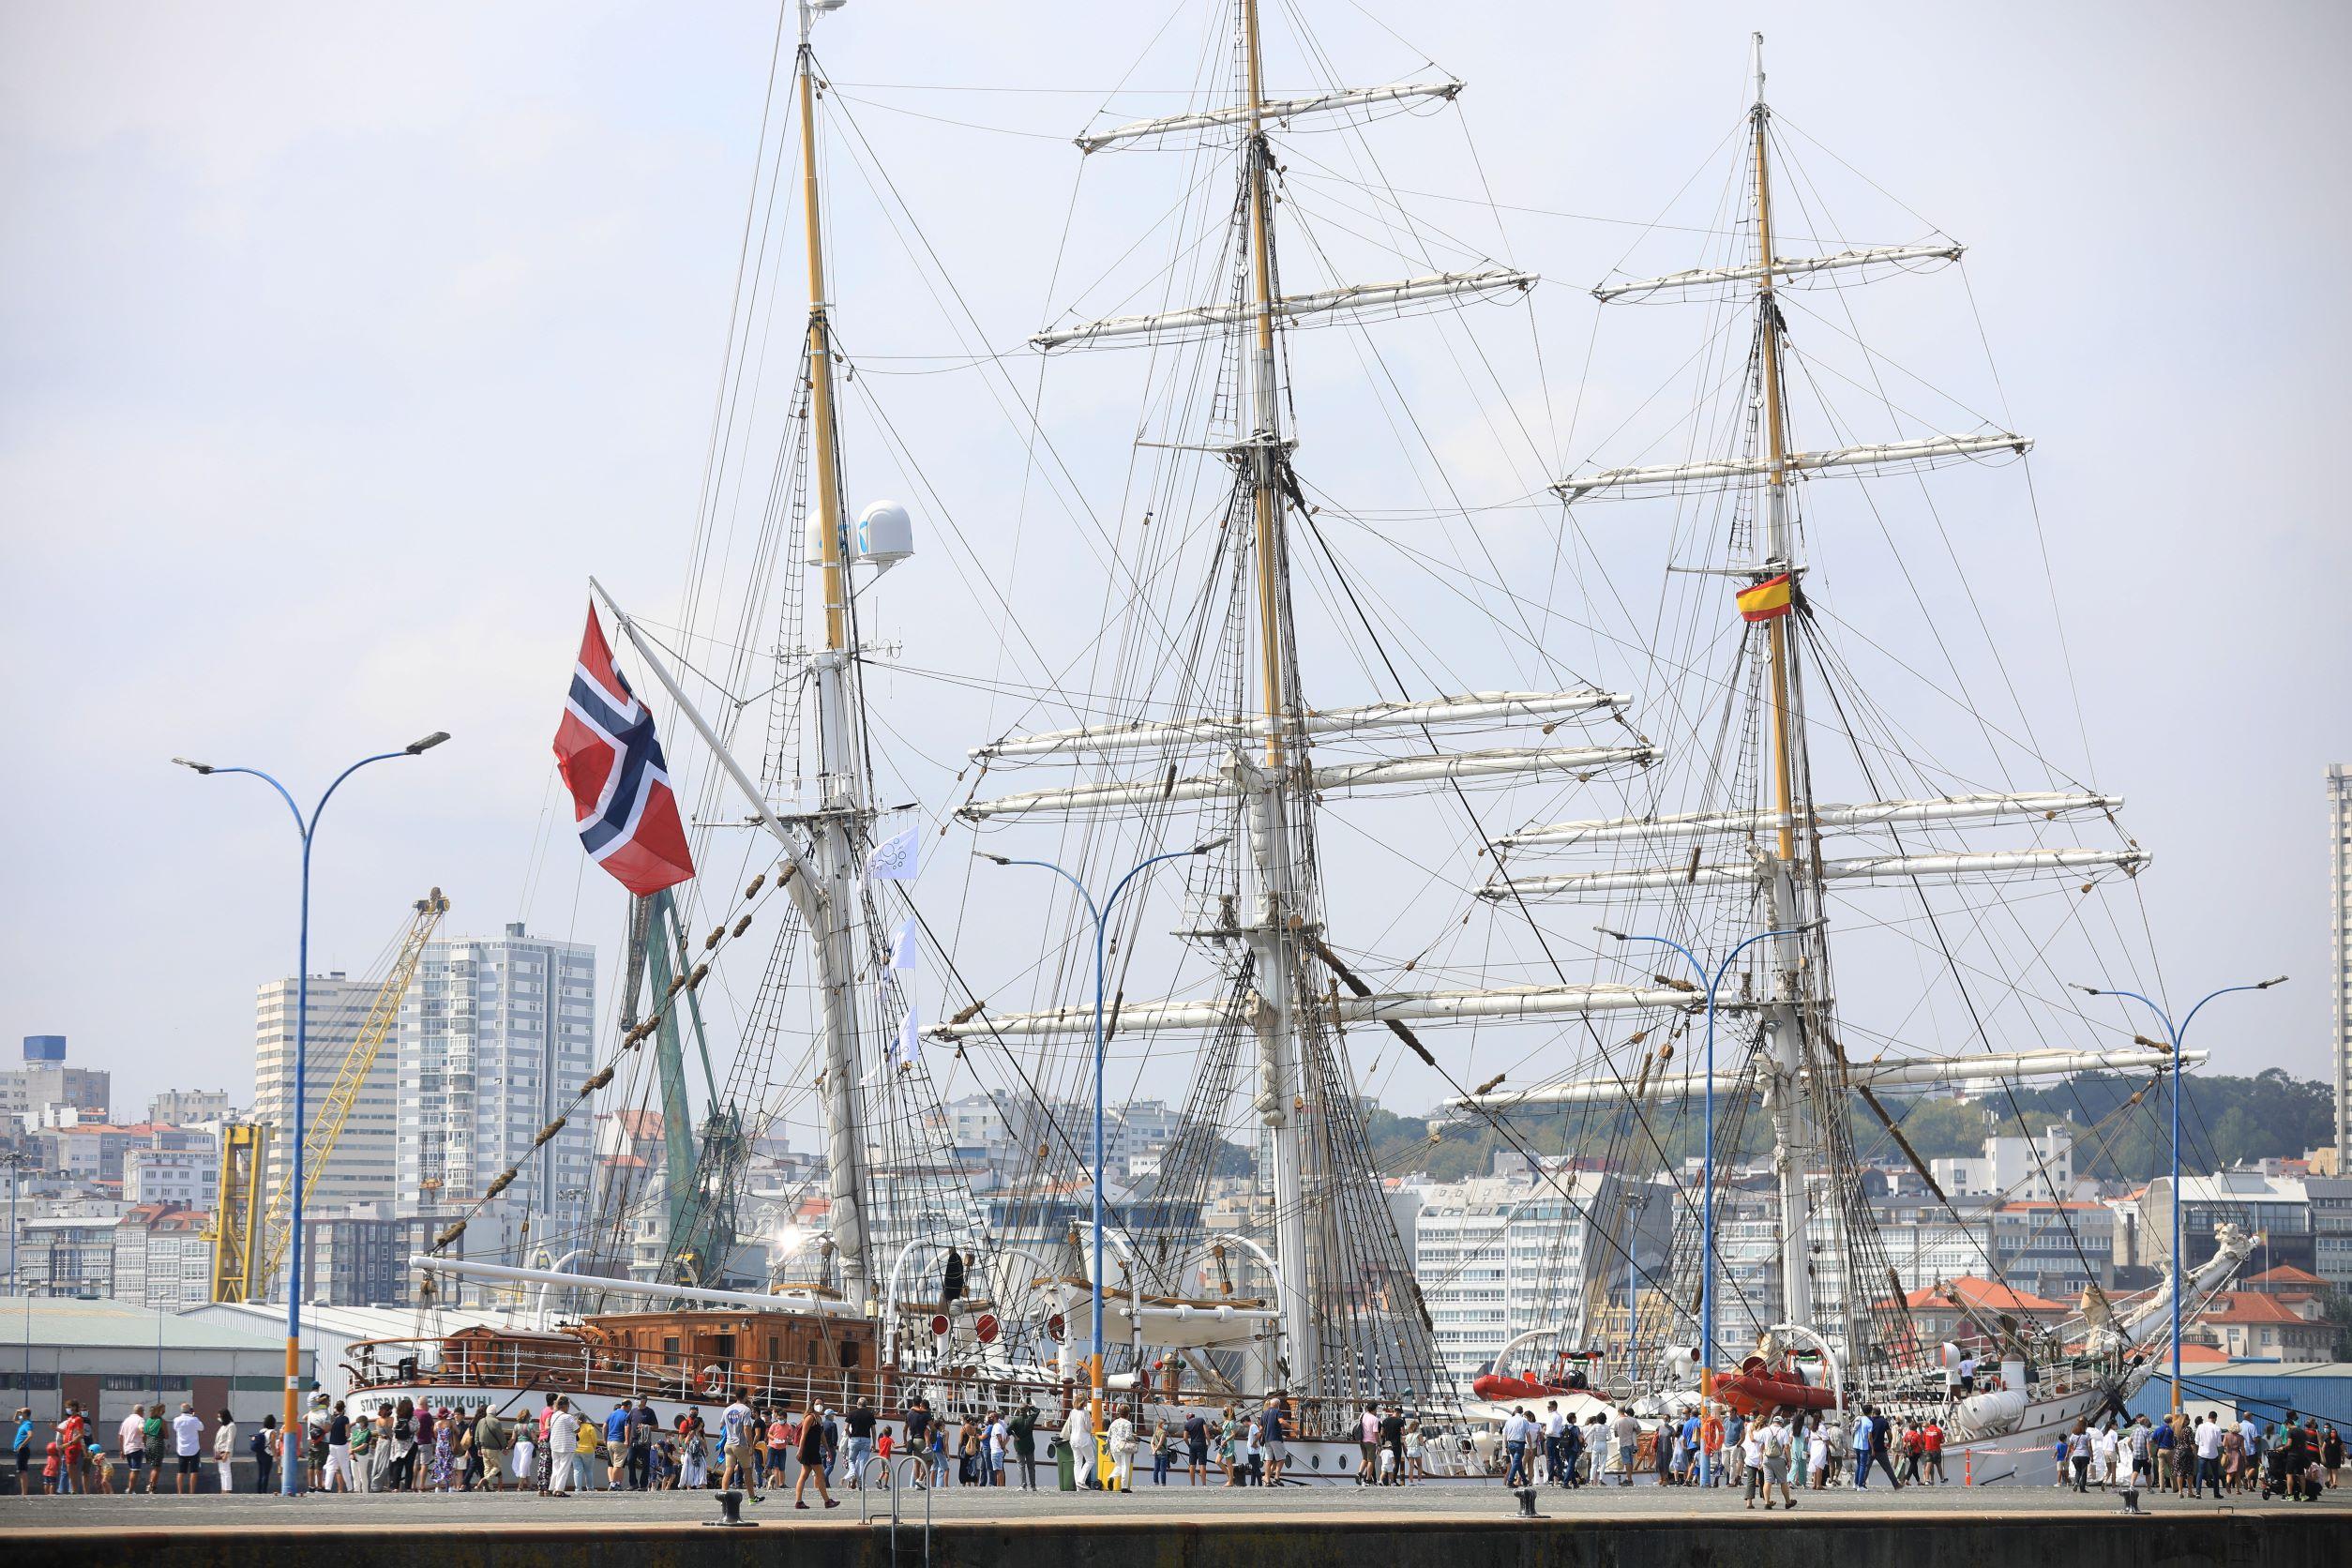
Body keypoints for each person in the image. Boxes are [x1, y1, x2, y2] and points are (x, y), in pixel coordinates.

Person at [793, 1403, 837, 1510]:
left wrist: (828, 1449)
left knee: (804, 1475)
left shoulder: (819, 1418)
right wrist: (800, 1450)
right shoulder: (810, 1417)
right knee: (820, 1475)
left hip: (813, 1450)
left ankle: (799, 1501)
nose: (820, 1406)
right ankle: (827, 1501)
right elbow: (804, 1434)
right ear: (813, 1405)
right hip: (810, 1450)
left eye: (821, 1404)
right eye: (817, 1404)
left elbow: (822, 1435)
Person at [719, 1391, 758, 1498]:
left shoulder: (727, 1409)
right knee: (747, 1470)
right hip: (740, 1444)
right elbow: (746, 1428)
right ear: (745, 1396)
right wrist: (751, 1445)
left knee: (729, 1469)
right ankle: (752, 1497)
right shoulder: (746, 1410)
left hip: (729, 1443)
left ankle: (724, 1495)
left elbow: (721, 1425)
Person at [545, 1398, 580, 1497]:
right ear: (565, 1406)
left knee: (556, 1467)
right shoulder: (568, 1417)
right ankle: (559, 1490)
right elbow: (577, 1430)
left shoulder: (554, 1416)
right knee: (564, 1468)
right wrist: (578, 1423)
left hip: (555, 1444)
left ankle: (552, 1488)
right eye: (568, 1406)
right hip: (566, 1446)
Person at [844, 1398, 877, 1489]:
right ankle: (861, 1482)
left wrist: (850, 1436)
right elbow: (873, 1431)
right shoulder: (870, 1415)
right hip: (866, 1440)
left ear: (857, 1404)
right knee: (863, 1462)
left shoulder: (852, 1413)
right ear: (866, 1405)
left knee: (851, 1460)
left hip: (854, 1439)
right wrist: (874, 1443)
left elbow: (846, 1428)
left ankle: (853, 1473)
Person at [1063, 1403, 1096, 1490]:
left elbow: (1070, 1425)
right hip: (1083, 1439)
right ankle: (1081, 1481)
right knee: (1090, 1460)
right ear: (1083, 1403)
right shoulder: (1085, 1413)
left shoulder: (1072, 1412)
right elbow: (1088, 1428)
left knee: (1077, 1462)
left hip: (1073, 1439)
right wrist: (1092, 1424)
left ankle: (1079, 1486)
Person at [1260, 1395, 1289, 1485]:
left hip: (1267, 1439)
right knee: (1282, 1458)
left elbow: (1261, 1428)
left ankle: (1267, 1480)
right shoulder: (1277, 1411)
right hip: (1275, 1437)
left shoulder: (1264, 1413)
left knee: (1268, 1460)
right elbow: (1281, 1421)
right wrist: (1294, 1429)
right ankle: (1276, 1477)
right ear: (1277, 1405)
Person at [118, 1405, 148, 1492]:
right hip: (136, 1447)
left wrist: (121, 1450)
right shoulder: (140, 1420)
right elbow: (142, 1430)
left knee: (132, 1469)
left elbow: (120, 1436)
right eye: (143, 1412)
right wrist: (145, 1443)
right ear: (140, 1411)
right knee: (135, 1470)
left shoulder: (126, 1420)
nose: (144, 1414)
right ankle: (131, 1490)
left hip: (127, 1448)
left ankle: (130, 1488)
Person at [1012, 1401, 1040, 1490]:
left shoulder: (1015, 1420)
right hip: (1029, 1446)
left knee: (1021, 1466)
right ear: (1027, 1410)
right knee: (1031, 1467)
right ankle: (1033, 1486)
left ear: (1019, 1410)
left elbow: (1008, 1430)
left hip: (1019, 1446)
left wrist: (1015, 1436)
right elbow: (1038, 1411)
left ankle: (1023, 1485)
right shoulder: (1030, 1419)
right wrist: (1031, 1407)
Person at [1501, 1407, 1532, 1488]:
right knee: (1516, 1463)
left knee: (1518, 1463)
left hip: (1510, 1443)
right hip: (1519, 1444)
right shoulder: (1524, 1421)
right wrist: (1530, 1447)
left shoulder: (1509, 1420)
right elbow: (1528, 1435)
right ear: (1522, 1412)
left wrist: (1506, 1446)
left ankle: (1525, 1481)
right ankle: (1510, 1481)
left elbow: (1505, 1435)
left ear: (1515, 1411)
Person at [1108, 1408, 1137, 1493]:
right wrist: (1134, 1437)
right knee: (1125, 1466)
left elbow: (1109, 1434)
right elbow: (1128, 1436)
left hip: (1114, 1447)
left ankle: (1111, 1477)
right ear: (1128, 1414)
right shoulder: (1128, 1423)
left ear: (1119, 1413)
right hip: (1124, 1446)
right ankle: (1124, 1487)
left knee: (1119, 1465)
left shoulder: (1114, 1422)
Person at [249, 1414, 278, 1494]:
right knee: (266, 1474)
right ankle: (264, 1491)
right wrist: (276, 1457)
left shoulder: (261, 1431)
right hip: (267, 1455)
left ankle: (259, 1491)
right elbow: (272, 1446)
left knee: (260, 1473)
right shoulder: (272, 1432)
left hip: (259, 1453)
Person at [1610, 1409, 1639, 1486]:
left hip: (1624, 1444)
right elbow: (1638, 1430)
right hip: (1633, 1445)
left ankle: (1629, 1479)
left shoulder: (1617, 1421)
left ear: (1618, 1412)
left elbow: (1616, 1435)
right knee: (1631, 1461)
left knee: (1627, 1462)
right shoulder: (1632, 1420)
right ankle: (1628, 1478)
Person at [1182, 1408, 1208, 1486]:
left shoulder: (1187, 1424)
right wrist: (1209, 1442)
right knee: (1202, 1464)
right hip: (1201, 1444)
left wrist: (1189, 1445)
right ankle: (1203, 1484)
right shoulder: (1201, 1420)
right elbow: (1206, 1432)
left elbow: (1185, 1438)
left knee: (1192, 1465)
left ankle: (1193, 1485)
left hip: (1193, 1445)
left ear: (1188, 1418)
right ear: (1193, 1416)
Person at [2066, 1419, 2091, 1493]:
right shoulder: (2087, 1434)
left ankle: (2076, 1482)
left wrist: (2067, 1454)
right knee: (2083, 1472)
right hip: (2085, 1455)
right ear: (2085, 1426)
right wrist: (2091, 1455)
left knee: (2078, 1470)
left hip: (2076, 1455)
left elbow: (2069, 1445)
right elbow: (2089, 1446)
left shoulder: (2073, 1435)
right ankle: (2082, 1489)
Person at [1359, 1406, 1382, 1486]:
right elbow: (1375, 1432)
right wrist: (1379, 1444)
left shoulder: (1364, 1415)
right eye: (1376, 1409)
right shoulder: (1374, 1419)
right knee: (1371, 1461)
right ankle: (1368, 1479)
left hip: (1362, 1440)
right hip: (1371, 1441)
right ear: (1374, 1409)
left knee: (1364, 1459)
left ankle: (1359, 1473)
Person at [11, 1407, 31, 1497]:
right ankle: (23, 1493)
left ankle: (24, 1493)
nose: (20, 1414)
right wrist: (17, 1411)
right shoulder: (23, 1422)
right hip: (20, 1450)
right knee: (21, 1471)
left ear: (26, 1415)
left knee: (22, 1471)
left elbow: (30, 1435)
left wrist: (22, 1445)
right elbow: (14, 1420)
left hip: (23, 1450)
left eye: (21, 1413)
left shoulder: (27, 1424)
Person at [1921, 1418, 1945, 1485]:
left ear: (1930, 1423)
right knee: (1938, 1465)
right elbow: (1943, 1441)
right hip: (1936, 1450)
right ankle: (1942, 1479)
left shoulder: (1926, 1431)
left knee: (1928, 1465)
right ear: (1935, 1423)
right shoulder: (1939, 1430)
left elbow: (1923, 1441)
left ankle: (1927, 1480)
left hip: (1928, 1450)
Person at [1150, 1418, 1172, 1485]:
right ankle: (1163, 1483)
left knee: (1156, 1469)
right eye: (1165, 1424)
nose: (1166, 1425)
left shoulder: (1156, 1431)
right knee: (1163, 1470)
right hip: (1163, 1453)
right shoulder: (1163, 1432)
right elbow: (1160, 1443)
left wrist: (1154, 1450)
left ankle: (1155, 1482)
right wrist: (1156, 1450)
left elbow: (1152, 1443)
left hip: (1157, 1454)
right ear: (1161, 1424)